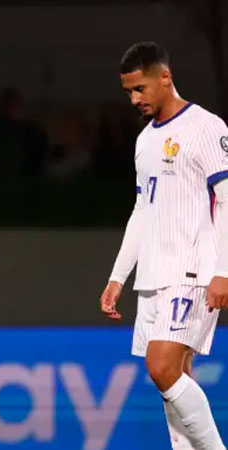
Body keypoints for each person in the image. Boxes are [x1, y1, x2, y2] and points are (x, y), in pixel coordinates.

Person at [101, 41, 228, 449]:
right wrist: (118, 276)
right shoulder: (145, 141)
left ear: (165, 77)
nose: (134, 99)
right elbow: (142, 209)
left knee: (162, 367)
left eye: (140, 89)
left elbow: (226, 199)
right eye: (128, 92)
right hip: (153, 274)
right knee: (174, 378)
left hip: (192, 268)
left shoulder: (207, 127)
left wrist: (224, 270)